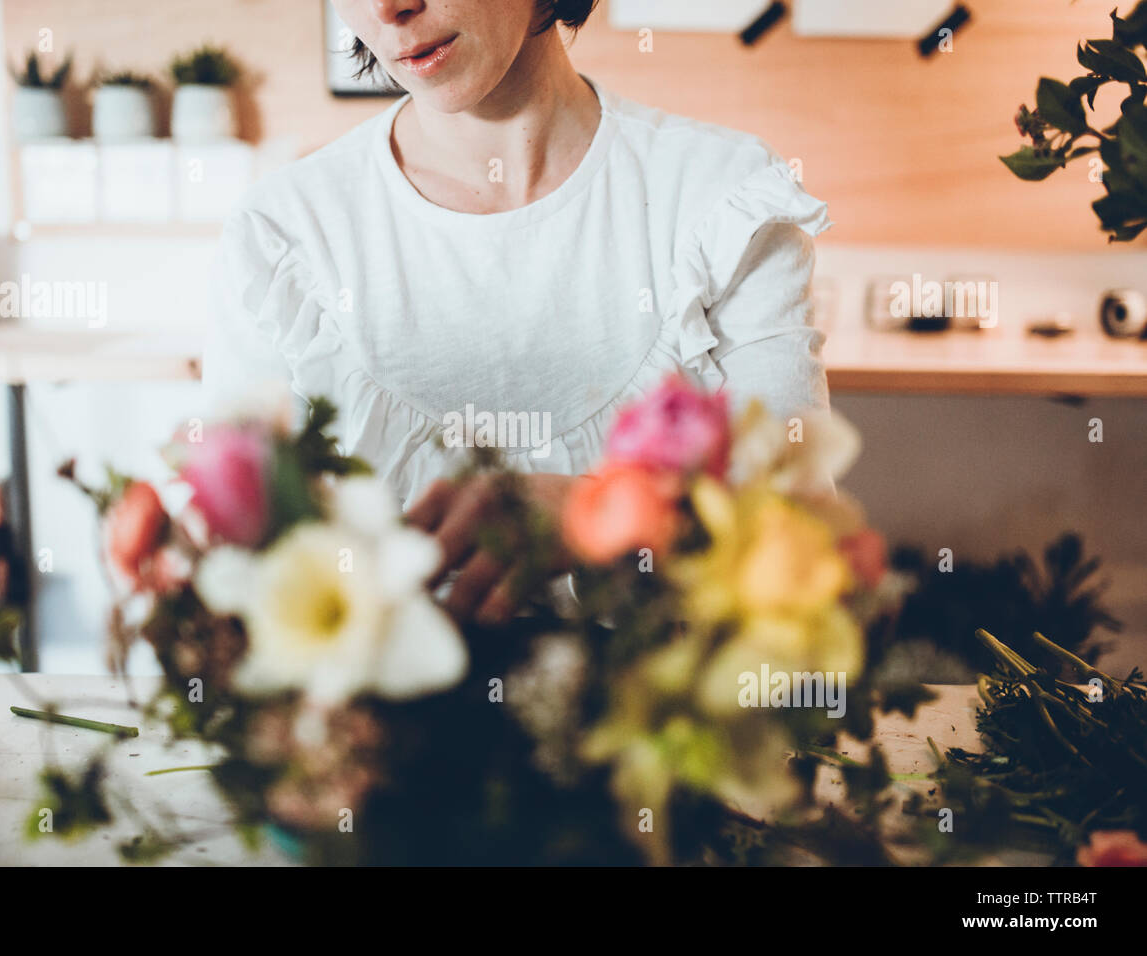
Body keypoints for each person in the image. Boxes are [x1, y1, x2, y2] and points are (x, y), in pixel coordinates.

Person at [203, 0, 833, 623]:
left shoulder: (724, 200)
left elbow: (796, 542)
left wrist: (594, 518)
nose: (389, 7)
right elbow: (239, 574)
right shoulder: (282, 236)